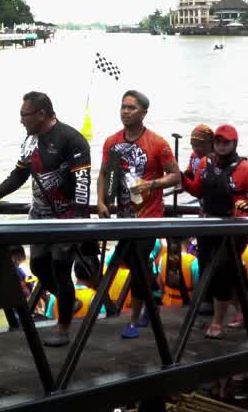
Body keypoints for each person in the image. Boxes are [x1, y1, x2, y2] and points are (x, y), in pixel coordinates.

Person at [0, 91, 91, 348]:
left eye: (24, 115)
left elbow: (82, 187)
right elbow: (19, 174)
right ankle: (67, 300)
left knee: (62, 272)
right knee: (39, 267)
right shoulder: (30, 139)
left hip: (65, 217)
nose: (21, 121)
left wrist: (78, 225)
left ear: (41, 114)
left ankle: (63, 328)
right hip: (38, 214)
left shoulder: (72, 140)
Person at [97, 90, 181, 339]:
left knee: (136, 264)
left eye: (131, 108)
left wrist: (151, 184)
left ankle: (134, 319)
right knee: (132, 263)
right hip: (122, 214)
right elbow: (103, 174)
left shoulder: (158, 143)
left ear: (144, 112)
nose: (126, 112)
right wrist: (101, 201)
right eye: (123, 107)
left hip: (148, 215)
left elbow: (176, 176)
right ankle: (152, 295)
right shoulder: (112, 142)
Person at [180, 123, 248, 338]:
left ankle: (217, 323)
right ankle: (241, 312)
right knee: (215, 268)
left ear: (234, 143)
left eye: (225, 142)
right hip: (208, 225)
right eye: (218, 141)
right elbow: (197, 189)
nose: (221, 145)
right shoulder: (204, 163)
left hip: (234, 228)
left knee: (222, 270)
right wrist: (182, 179)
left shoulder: (245, 168)